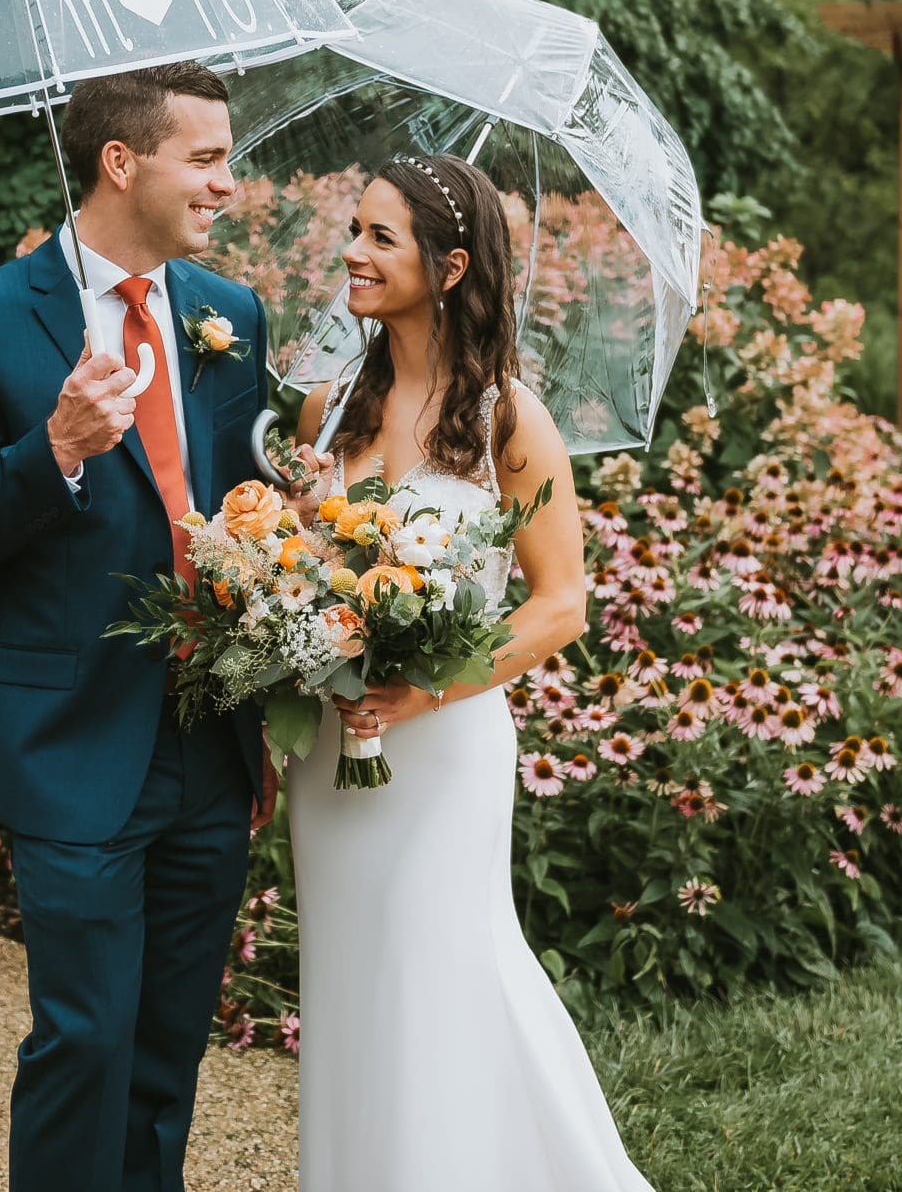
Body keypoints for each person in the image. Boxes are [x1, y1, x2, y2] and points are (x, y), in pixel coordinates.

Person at [0, 61, 284, 1192]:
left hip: (210, 738)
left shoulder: (231, 315)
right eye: (203, 158)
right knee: (85, 1039)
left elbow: (242, 499)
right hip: (67, 743)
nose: (226, 183)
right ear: (121, 162)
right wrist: (54, 448)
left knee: (168, 1046)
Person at [288, 152, 654, 1191]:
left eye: (380, 237)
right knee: (353, 985)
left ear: (449, 267)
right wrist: (295, 554)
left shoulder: (507, 418)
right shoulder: (328, 410)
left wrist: (423, 689)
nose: (353, 253)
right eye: (353, 230)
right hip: (334, 752)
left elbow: (560, 602)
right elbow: (300, 567)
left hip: (443, 749)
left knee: (444, 971)